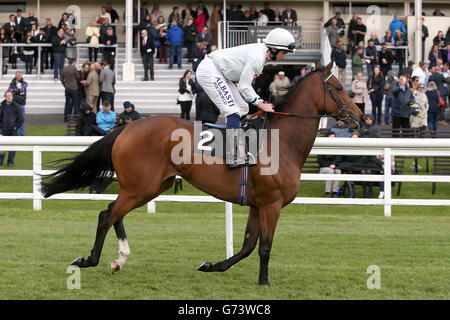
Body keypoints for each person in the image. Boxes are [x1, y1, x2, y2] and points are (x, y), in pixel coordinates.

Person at [195, 28, 295, 168]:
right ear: (274, 49)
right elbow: (244, 86)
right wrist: (260, 103)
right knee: (232, 111)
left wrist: (258, 101)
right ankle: (233, 156)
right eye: (284, 52)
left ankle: (241, 149)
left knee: (243, 107)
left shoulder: (262, 54)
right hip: (210, 70)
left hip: (221, 73)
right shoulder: (258, 57)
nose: (284, 56)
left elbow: (242, 83)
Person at [0, 91, 24, 167]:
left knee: (12, 147)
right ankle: (0, 162)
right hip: (4, 130)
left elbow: (21, 119)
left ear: (12, 96)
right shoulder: (2, 105)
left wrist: (16, 126)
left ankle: (10, 162)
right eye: (7, 96)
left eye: (10, 96)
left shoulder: (17, 106)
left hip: (13, 130)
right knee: (2, 147)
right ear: (5, 97)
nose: (9, 97)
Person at [318, 132, 343, 198]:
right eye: (331, 137)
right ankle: (327, 192)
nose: (332, 138)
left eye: (334, 137)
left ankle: (335, 192)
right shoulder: (322, 147)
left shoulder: (337, 147)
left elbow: (338, 158)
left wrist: (334, 164)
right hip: (324, 168)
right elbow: (320, 161)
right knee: (330, 171)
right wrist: (329, 166)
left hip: (334, 166)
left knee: (338, 171)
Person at [8, 72, 27, 136]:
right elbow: (10, 92)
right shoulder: (12, 83)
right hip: (14, 105)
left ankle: (22, 135)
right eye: (18, 75)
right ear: (15, 76)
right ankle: (14, 135)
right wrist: (18, 91)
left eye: (20, 75)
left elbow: (23, 91)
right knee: (13, 120)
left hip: (21, 104)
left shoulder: (24, 83)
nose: (19, 76)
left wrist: (14, 92)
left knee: (21, 120)